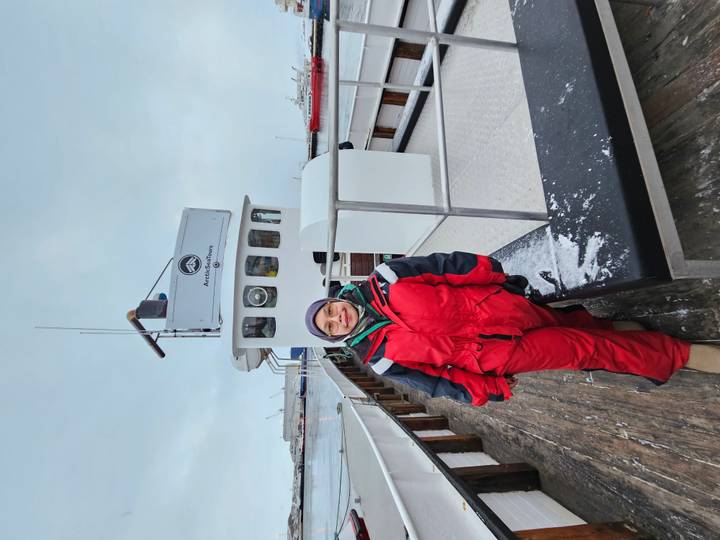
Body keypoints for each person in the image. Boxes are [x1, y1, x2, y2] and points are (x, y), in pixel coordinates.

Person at [304, 252, 720, 407]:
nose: (337, 317)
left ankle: (615, 328)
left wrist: (488, 273)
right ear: (337, 336)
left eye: (331, 310)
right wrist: (483, 389)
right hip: (497, 356)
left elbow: (446, 269)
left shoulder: (387, 277)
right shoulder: (380, 358)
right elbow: (436, 382)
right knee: (581, 351)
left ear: (337, 298)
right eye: (330, 325)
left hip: (502, 310)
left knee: (569, 324)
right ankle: (682, 354)